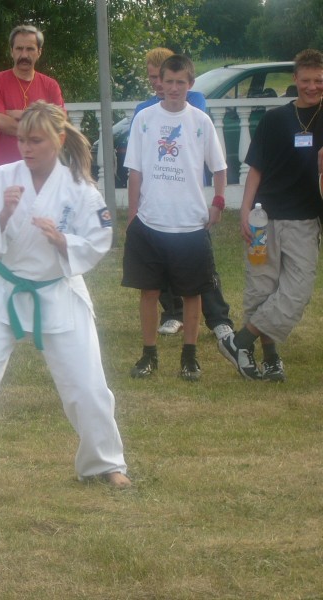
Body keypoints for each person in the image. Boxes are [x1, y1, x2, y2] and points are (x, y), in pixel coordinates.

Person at [0, 101, 130, 494]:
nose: (26, 148)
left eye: (35, 140)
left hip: (58, 290)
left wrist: (62, 240)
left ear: (59, 140)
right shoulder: (1, 179)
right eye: (22, 140)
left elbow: (99, 238)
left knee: (87, 384)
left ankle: (105, 462)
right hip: (3, 289)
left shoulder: (79, 189)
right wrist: (4, 215)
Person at [218, 49, 323, 383]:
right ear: (295, 79)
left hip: (305, 219)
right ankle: (271, 358)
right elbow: (256, 170)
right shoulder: (275, 119)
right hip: (264, 218)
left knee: (297, 292)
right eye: (306, 80)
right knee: (261, 287)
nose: (312, 86)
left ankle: (239, 341)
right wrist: (245, 211)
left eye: (319, 80)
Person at [123, 55, 227, 382]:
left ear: (190, 85)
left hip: (190, 224)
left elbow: (219, 168)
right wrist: (133, 215)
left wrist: (218, 202)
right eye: (168, 81)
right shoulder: (144, 119)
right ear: (160, 82)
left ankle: (189, 357)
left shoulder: (200, 121)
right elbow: (135, 171)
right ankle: (148, 354)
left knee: (192, 293)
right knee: (149, 292)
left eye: (180, 82)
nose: (173, 88)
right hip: (150, 222)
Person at [0, 24, 66, 330]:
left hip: (41, 179)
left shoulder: (50, 84)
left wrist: (16, 113)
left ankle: (48, 318)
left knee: (43, 242)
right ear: (11, 51)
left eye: (30, 49)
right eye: (19, 48)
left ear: (39, 52)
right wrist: (36, 119)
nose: (24, 54)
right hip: (2, 179)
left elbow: (59, 124)